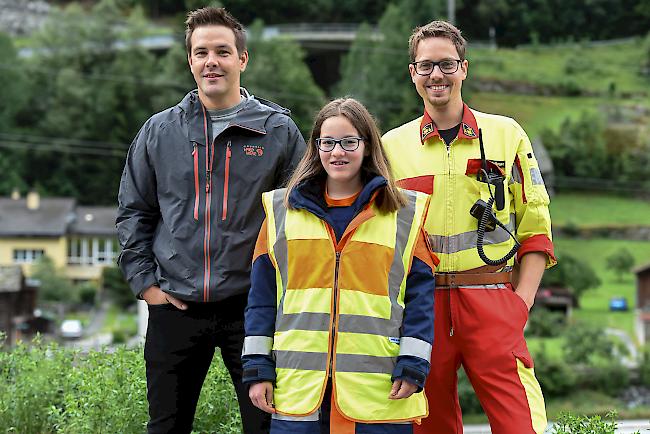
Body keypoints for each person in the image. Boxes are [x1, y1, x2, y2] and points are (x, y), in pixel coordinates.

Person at [116, 7, 305, 434]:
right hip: (176, 305)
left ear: (242, 59)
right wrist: (146, 284)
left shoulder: (277, 131)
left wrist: (281, 291)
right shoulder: (158, 132)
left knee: (266, 426)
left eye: (222, 51)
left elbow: (300, 219)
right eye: (201, 52)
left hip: (252, 307)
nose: (211, 61)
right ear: (190, 61)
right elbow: (134, 211)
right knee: (166, 426)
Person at [382, 21, 556, 434]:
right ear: (412, 73)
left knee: (522, 425)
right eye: (425, 66)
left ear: (464, 68)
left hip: (492, 297)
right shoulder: (391, 146)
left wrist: (521, 304)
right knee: (429, 426)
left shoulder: (505, 134)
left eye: (446, 64)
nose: (436, 75)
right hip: (421, 309)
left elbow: (535, 227)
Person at [241, 98, 438, 434]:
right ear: (315, 147)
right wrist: (258, 367)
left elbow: (420, 299)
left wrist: (413, 364)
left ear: (367, 146)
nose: (337, 152)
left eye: (349, 142)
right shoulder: (280, 212)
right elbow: (261, 298)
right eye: (328, 142)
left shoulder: (405, 215)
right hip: (299, 391)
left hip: (378, 393)